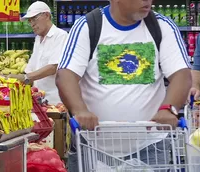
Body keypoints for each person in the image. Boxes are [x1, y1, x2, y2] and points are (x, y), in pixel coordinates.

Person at [55, 0, 192, 171]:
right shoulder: (88, 26)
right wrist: (80, 109)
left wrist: (168, 108)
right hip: (92, 147)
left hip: (150, 147)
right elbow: (65, 75)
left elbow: (181, 74)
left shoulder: (162, 26)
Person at [8, 1, 68, 105]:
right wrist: (7, 78)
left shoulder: (61, 36)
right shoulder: (38, 39)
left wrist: (26, 78)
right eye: (29, 21)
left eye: (34, 19)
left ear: (47, 15)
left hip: (56, 101)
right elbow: (31, 69)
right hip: (39, 100)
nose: (32, 24)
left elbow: (53, 67)